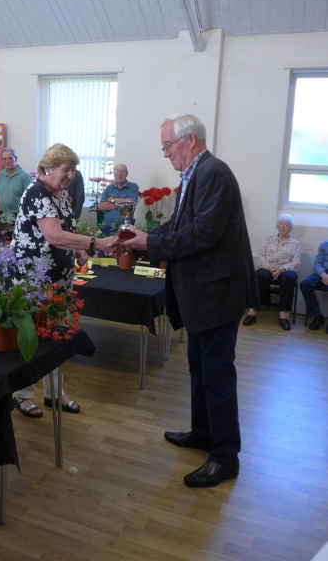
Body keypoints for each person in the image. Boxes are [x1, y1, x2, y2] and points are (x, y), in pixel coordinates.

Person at [119, 114, 258, 488]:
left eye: (168, 146)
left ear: (190, 140)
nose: (165, 154)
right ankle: (203, 433)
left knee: (216, 375)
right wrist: (142, 235)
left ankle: (226, 456)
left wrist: (148, 243)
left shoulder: (213, 172)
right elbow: (179, 226)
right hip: (204, 293)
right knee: (200, 367)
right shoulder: (195, 175)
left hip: (217, 293)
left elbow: (202, 234)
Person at [12, 143, 114, 418]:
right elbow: (55, 236)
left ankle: (54, 394)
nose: (70, 174)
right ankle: (22, 395)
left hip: (59, 279)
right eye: (65, 169)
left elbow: (67, 231)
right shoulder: (37, 193)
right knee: (31, 337)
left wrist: (79, 249)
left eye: (73, 169)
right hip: (34, 279)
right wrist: (95, 243)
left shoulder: (61, 194)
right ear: (48, 168)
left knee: (56, 337)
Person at [243, 214, 300, 331]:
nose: (282, 227)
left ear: (291, 228)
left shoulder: (295, 244)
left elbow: (296, 262)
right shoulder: (269, 239)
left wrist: (283, 269)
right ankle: (252, 312)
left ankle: (284, 317)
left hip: (285, 270)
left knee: (288, 279)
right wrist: (269, 267)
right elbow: (260, 257)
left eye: (285, 225)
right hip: (268, 268)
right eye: (279, 224)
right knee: (259, 275)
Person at [98, 164, 139, 235]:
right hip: (106, 227)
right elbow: (100, 206)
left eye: (122, 171)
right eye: (116, 171)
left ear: (127, 173)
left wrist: (112, 199)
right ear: (114, 174)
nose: (119, 174)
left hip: (124, 228)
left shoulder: (133, 187)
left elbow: (131, 202)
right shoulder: (109, 188)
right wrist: (124, 203)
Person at [300, 240, 328, 333]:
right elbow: (317, 264)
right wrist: (323, 275)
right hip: (323, 272)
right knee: (305, 284)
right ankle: (317, 316)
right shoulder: (324, 244)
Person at [0, 148, 31, 213]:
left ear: (15, 158)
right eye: (4, 159)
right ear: (2, 161)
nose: (7, 161)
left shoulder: (24, 176)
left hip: (17, 215)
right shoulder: (0, 175)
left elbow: (30, 198)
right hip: (1, 214)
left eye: (10, 158)